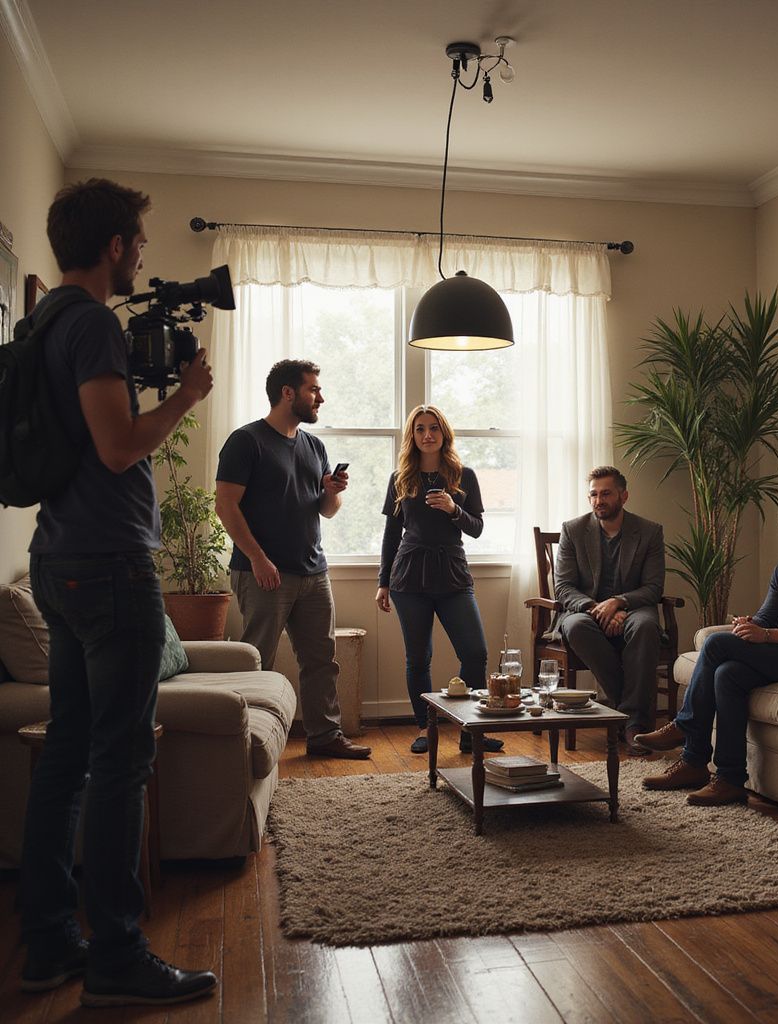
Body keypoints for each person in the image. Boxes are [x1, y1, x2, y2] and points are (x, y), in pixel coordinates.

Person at [20, 179, 217, 1006]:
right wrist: (185, 396)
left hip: (59, 557)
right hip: (108, 564)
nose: (142, 255)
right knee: (119, 760)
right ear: (112, 247)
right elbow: (114, 447)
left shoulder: (39, 323)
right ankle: (118, 959)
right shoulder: (94, 323)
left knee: (67, 757)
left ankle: (49, 944)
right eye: (137, 242)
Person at [638, 483, 778, 803]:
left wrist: (769, 636)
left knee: (717, 645)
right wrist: (750, 625)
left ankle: (686, 729)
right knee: (727, 674)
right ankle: (728, 778)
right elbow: (768, 616)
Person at [215, 360, 371, 760]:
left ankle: (325, 736)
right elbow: (226, 505)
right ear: (288, 393)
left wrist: (333, 491)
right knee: (256, 659)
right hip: (263, 571)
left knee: (321, 660)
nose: (320, 397)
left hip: (313, 571)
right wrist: (258, 559)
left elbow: (326, 510)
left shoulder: (313, 445)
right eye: (313, 389)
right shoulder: (246, 441)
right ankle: (243, 740)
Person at [375, 405, 501, 755]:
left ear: (444, 433)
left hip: (453, 573)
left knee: (475, 653)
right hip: (409, 577)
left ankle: (468, 730)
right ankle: (424, 728)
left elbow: (475, 529)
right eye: (419, 429)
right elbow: (390, 534)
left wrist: (453, 509)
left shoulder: (465, 475)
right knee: (418, 658)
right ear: (411, 436)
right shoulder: (400, 477)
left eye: (433, 428)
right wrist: (383, 582)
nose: (427, 434)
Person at [554, 467, 665, 755]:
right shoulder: (573, 530)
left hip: (632, 608)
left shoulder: (649, 531)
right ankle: (632, 720)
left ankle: (629, 721)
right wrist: (597, 607)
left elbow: (653, 588)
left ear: (623, 496)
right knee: (575, 625)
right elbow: (564, 588)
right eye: (593, 494)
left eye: (606, 493)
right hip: (587, 612)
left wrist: (618, 602)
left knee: (646, 627)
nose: (598, 500)